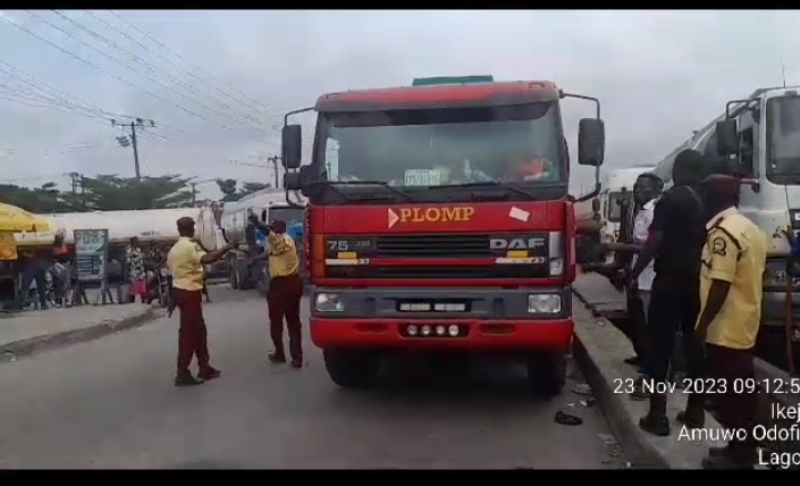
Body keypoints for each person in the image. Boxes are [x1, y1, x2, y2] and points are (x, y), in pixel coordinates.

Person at [628, 149, 707, 436]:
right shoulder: (707, 199)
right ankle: (695, 411)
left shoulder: (670, 200)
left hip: (669, 281)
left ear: (680, 170)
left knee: (659, 348)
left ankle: (657, 415)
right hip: (698, 281)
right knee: (694, 346)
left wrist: (635, 272)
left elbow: (655, 240)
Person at [695, 175, 767, 469]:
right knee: (741, 391)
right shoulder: (750, 228)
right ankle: (739, 447)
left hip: (725, 325)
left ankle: (739, 457)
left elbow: (721, 283)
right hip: (745, 320)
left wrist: (701, 326)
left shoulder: (723, 233)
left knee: (731, 393)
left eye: (704, 195)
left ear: (714, 198)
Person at [602, 174, 663, 382]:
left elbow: (650, 246)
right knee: (636, 318)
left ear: (655, 190)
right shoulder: (638, 211)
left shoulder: (655, 212)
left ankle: (653, 366)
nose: (637, 191)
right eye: (636, 187)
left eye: (642, 187)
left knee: (649, 321)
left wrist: (619, 248)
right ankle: (643, 357)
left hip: (649, 274)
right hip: (637, 271)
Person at [167, 217, 238, 386]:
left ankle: (204, 367)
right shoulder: (189, 247)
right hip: (189, 292)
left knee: (199, 332)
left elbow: (174, 274)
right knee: (189, 334)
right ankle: (182, 373)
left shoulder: (175, 249)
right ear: (192, 228)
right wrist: (228, 247)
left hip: (181, 291)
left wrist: (172, 298)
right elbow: (207, 259)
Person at [249, 216, 304, 368]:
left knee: (276, 321)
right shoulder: (287, 241)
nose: (271, 231)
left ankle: (280, 353)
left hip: (282, 284)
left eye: (273, 229)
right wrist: (255, 259)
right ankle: (296, 356)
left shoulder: (279, 240)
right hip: (293, 282)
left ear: (277, 231)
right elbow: (269, 253)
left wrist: (257, 223)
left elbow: (270, 236)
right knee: (293, 321)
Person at [125, 237, 146, 304]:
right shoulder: (129, 251)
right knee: (133, 290)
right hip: (134, 272)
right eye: (135, 241)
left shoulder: (139, 250)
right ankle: (131, 304)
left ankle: (143, 303)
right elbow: (128, 262)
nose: (137, 243)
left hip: (141, 272)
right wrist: (137, 259)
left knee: (142, 289)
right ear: (132, 242)